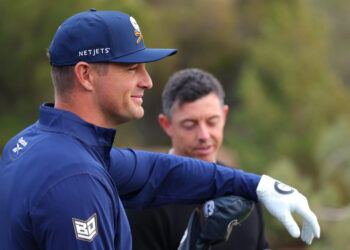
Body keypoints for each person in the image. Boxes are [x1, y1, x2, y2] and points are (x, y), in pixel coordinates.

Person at [0, 9, 320, 250]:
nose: (147, 81)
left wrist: (259, 184)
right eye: (131, 68)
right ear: (86, 75)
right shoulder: (75, 179)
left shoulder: (39, 142)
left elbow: (162, 172)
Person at [126, 68, 270, 250]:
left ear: (224, 116)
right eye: (189, 125)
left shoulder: (245, 193)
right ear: (166, 124)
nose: (203, 134)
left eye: (212, 121)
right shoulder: (143, 203)